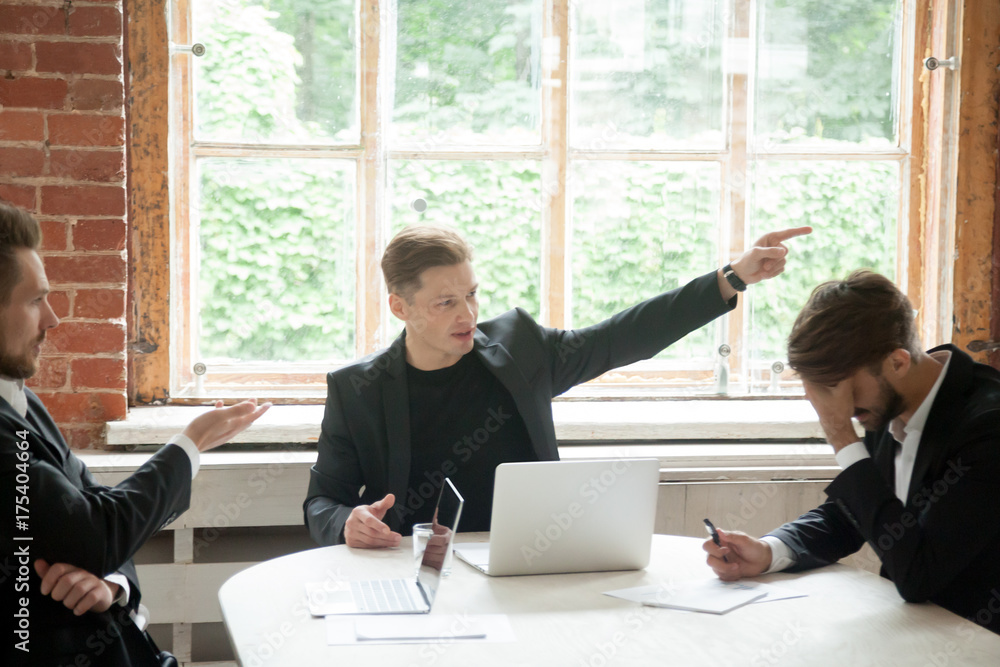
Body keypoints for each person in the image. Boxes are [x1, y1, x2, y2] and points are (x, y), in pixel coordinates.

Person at [305, 223, 811, 548]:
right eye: (446, 303)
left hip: (528, 561)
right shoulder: (358, 389)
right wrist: (347, 523)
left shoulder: (519, 349)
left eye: (472, 295)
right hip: (409, 569)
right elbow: (323, 500)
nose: (468, 314)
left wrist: (730, 278)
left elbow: (619, 337)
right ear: (400, 307)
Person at [0, 201, 271, 666]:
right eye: (34, 299)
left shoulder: (21, 399)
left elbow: (99, 516)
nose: (52, 319)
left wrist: (111, 583)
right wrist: (190, 445)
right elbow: (98, 532)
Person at [703, 270, 1000, 634]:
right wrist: (769, 551)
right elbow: (852, 515)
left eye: (843, 389)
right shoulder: (892, 401)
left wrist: (841, 435)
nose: (838, 409)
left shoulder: (987, 427)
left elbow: (920, 576)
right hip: (917, 634)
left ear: (898, 362)